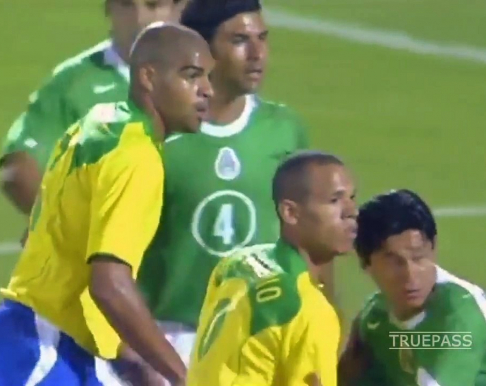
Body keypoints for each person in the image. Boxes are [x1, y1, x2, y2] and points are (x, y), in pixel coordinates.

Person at [0, 22, 214, 386]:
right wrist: (181, 375)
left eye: (207, 78)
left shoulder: (98, 124)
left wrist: (133, 359)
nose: (207, 91)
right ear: (149, 77)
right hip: (42, 352)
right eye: (192, 76)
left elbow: (50, 239)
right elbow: (110, 284)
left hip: (24, 335)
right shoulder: (137, 157)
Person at [135, 0, 341, 375]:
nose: (257, 53)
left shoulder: (284, 129)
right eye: (240, 40)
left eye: (263, 38)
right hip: (175, 340)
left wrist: (325, 322)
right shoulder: (158, 136)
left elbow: (313, 242)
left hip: (267, 333)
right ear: (202, 48)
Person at [0, 0, 189, 230]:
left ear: (182, 7)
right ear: (108, 7)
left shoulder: (214, 78)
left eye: (153, 5)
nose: (139, 19)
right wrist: (75, 230)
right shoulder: (72, 84)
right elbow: (18, 171)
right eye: (126, 5)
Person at [185, 151, 358, 386]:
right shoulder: (309, 310)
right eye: (334, 200)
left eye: (352, 198)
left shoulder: (238, 263)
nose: (351, 211)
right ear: (290, 212)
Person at [337, 189, 486, 386]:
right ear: (365, 263)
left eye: (418, 257)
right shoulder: (374, 319)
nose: (410, 275)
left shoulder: (459, 316)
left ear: (433, 247)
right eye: (394, 262)